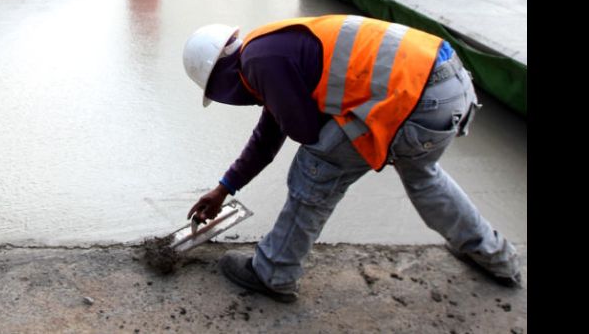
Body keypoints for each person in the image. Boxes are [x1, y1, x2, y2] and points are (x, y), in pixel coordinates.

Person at [182, 15, 521, 303]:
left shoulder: (259, 63)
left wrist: (229, 185)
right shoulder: (269, 46)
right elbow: (270, 134)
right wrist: (224, 189)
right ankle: (495, 256)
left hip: (414, 100)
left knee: (315, 167)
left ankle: (274, 271)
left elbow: (301, 130)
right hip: (450, 88)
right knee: (423, 176)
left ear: (220, 79)